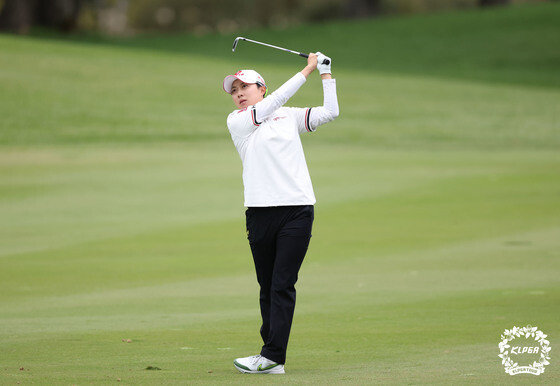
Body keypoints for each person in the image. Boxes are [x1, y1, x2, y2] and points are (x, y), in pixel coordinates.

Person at [222, 52, 339, 374]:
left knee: (282, 284)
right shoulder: (239, 122)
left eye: (245, 86)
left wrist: (325, 76)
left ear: (261, 87)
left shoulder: (288, 116)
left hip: (296, 211)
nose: (239, 93)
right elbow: (274, 102)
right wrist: (307, 69)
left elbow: (330, 112)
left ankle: (273, 355)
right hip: (259, 214)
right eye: (234, 90)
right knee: (266, 285)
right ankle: (269, 357)